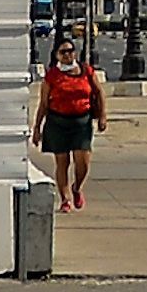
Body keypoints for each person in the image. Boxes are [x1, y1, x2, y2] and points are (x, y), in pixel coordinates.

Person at [36, 27, 107, 214]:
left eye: (70, 51)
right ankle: (65, 198)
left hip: (81, 123)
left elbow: (99, 93)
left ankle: (77, 188)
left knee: (82, 161)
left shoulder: (86, 71)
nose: (67, 55)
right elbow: (43, 103)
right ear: (57, 55)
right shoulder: (52, 76)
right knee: (62, 162)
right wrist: (37, 128)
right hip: (58, 122)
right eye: (63, 52)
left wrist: (102, 116)